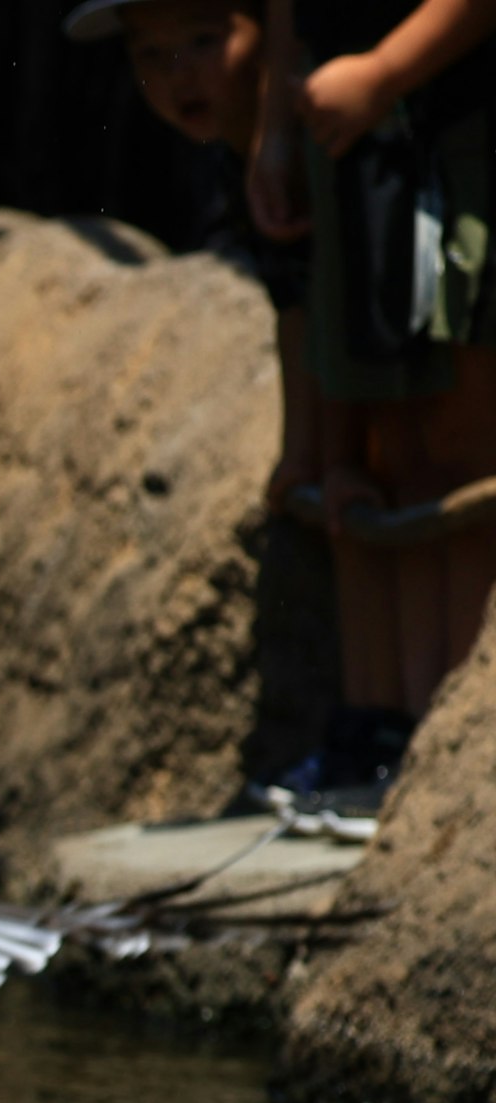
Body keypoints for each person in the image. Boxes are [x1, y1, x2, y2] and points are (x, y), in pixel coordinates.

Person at [73, 5, 345, 787]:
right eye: (150, 55)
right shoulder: (238, 159)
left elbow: (333, 314)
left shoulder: (314, 140)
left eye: (202, 41)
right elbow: (295, 309)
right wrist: (302, 450)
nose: (177, 74)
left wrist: (327, 449)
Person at [247, 0, 496, 794]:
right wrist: (277, 127)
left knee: (462, 457)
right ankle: (397, 731)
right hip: (350, 136)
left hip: (450, 128)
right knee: (400, 457)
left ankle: (452, 747)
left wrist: (387, 70)